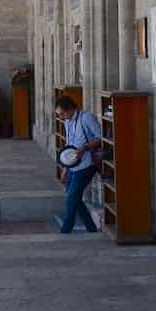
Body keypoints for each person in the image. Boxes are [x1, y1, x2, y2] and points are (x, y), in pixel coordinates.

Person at [56, 94, 103, 233]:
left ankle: (65, 231)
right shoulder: (67, 122)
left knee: (71, 198)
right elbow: (69, 145)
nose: (61, 117)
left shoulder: (86, 118)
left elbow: (101, 138)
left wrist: (85, 148)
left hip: (87, 164)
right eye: (58, 115)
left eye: (62, 114)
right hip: (73, 165)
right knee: (74, 198)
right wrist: (65, 168)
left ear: (70, 109)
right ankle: (91, 229)